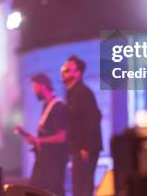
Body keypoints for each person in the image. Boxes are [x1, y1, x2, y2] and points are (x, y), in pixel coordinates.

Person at [20, 73, 68, 196]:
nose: (34, 91)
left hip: (54, 162)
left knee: (52, 191)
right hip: (44, 160)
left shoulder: (58, 107)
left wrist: (39, 141)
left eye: (35, 88)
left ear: (43, 86)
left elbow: (61, 136)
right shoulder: (46, 106)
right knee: (35, 190)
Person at [61, 55, 102, 196]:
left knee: (83, 188)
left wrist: (86, 147)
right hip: (78, 149)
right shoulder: (72, 94)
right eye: (63, 69)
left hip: (85, 150)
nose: (63, 72)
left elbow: (93, 119)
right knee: (78, 187)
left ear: (77, 73)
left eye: (67, 69)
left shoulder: (83, 93)